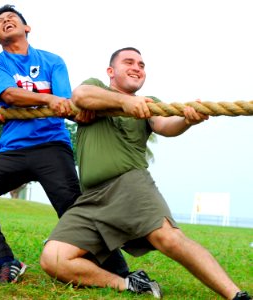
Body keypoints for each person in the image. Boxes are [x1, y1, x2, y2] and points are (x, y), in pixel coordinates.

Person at [40, 47, 251, 300]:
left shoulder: (148, 103)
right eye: (129, 62)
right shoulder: (96, 88)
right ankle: (129, 284)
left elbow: (165, 125)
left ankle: (236, 295)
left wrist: (187, 120)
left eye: (141, 65)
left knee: (169, 239)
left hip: (129, 184)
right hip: (91, 199)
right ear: (110, 71)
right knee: (54, 259)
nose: (137, 68)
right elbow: (81, 95)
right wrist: (125, 102)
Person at [0, 4, 131, 284]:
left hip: (51, 144)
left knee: (73, 207)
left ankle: (120, 271)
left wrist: (63, 104)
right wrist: (47, 99)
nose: (6, 20)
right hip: (13, 149)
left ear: (27, 28)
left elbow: (63, 101)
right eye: (0, 21)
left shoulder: (52, 61)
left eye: (12, 17)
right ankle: (1, 262)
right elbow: (9, 95)